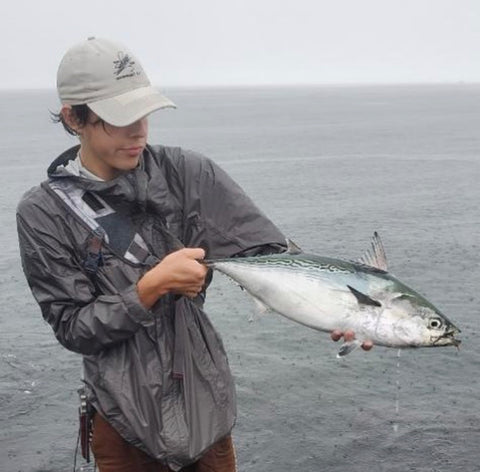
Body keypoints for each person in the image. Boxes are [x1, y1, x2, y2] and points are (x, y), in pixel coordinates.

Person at [17, 37, 371, 472]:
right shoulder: (43, 213)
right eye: (119, 118)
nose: (140, 131)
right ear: (74, 118)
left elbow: (272, 258)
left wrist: (345, 307)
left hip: (206, 410)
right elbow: (74, 328)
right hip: (123, 424)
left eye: (144, 112)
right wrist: (148, 288)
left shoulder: (188, 173)